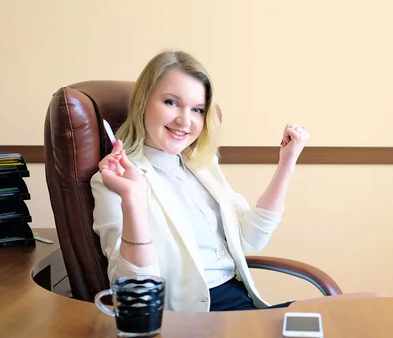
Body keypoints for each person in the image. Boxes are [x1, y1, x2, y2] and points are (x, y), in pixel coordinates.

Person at [90, 50, 310, 312]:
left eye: (197, 109)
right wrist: (132, 198)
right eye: (171, 102)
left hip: (241, 303)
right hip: (195, 322)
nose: (185, 120)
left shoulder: (202, 166)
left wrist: (287, 163)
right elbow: (137, 290)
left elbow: (250, 239)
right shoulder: (112, 182)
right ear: (143, 102)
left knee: (359, 308)